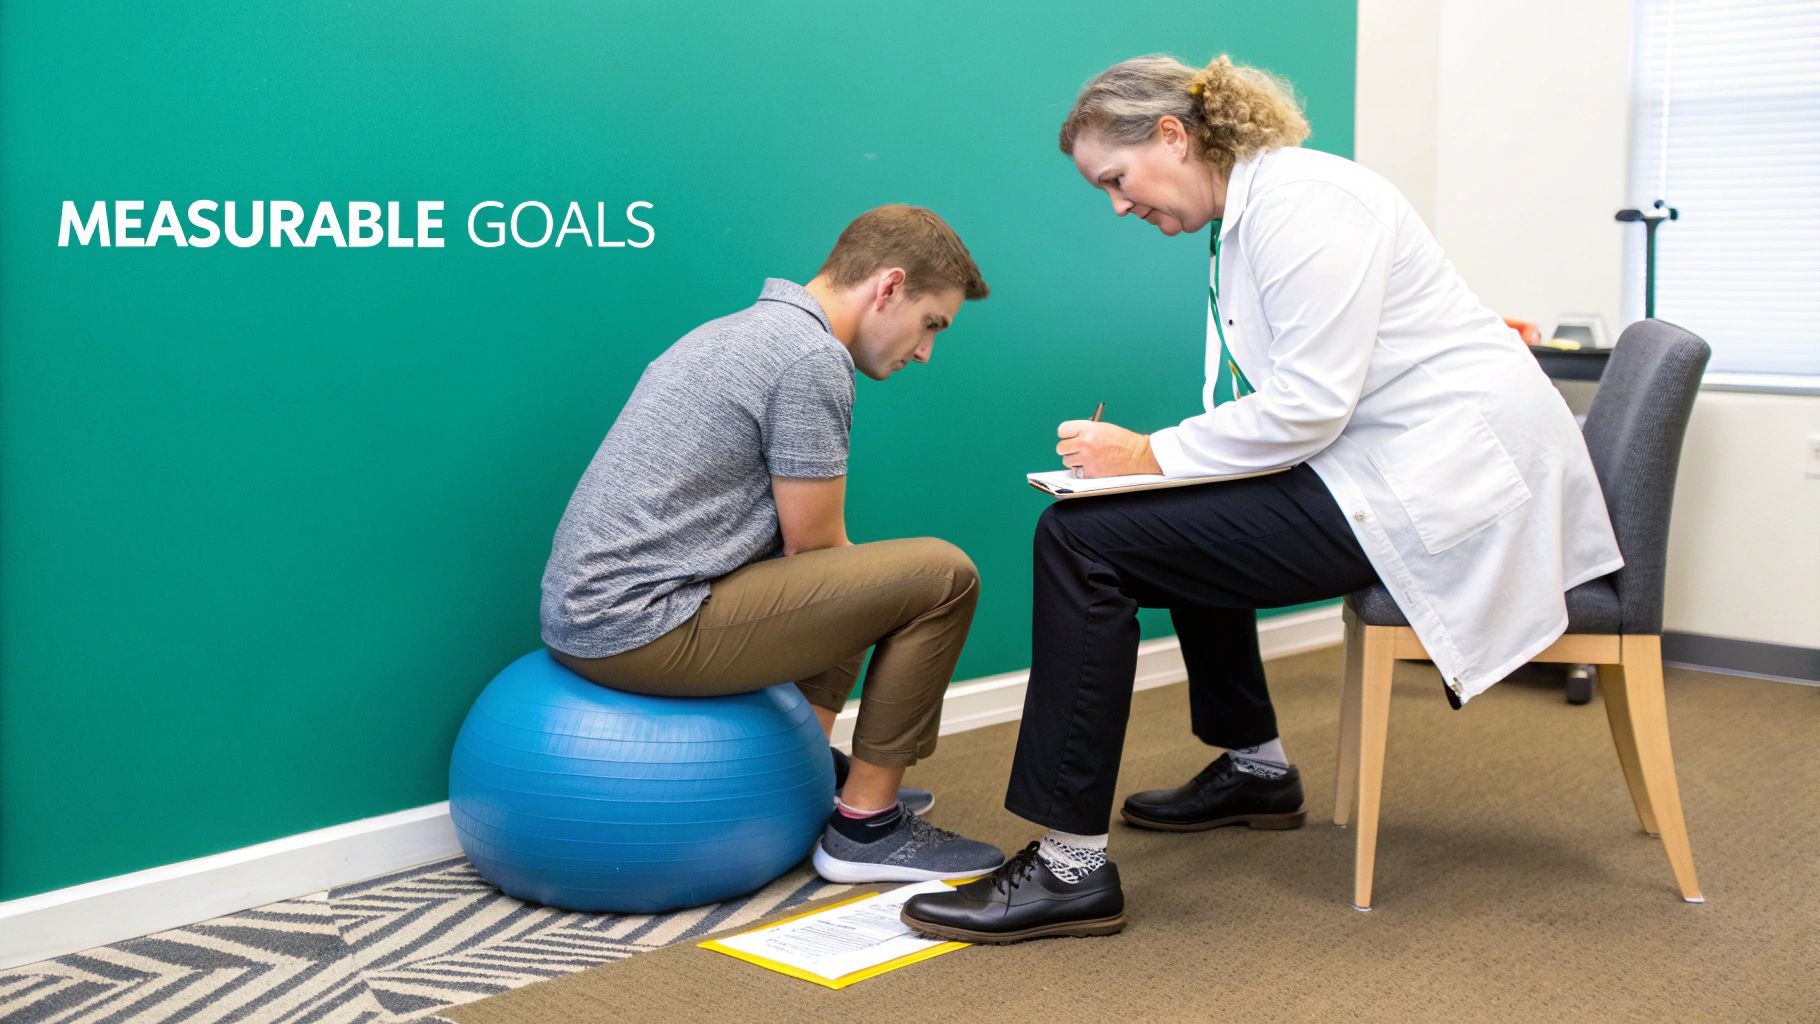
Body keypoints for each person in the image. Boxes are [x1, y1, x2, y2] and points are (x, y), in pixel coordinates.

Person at [902, 55, 1622, 941]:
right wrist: (1159, 464)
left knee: (1081, 540)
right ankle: (1257, 770)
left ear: (1172, 135)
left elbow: (1313, 405)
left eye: (1117, 181)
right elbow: (1293, 403)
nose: (1120, 206)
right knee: (1170, 516)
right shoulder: (1258, 213)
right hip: (1394, 462)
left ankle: (1069, 867)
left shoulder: (1305, 206)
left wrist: (1151, 452)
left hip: (1437, 484)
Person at [541, 204, 1006, 884]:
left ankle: (804, 778)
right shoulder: (810, 356)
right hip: (636, 626)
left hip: (591, 616)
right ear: (888, 287)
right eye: (931, 323)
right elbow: (813, 553)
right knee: (942, 577)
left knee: (861, 578)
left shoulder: (738, 331)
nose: (927, 350)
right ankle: (866, 829)